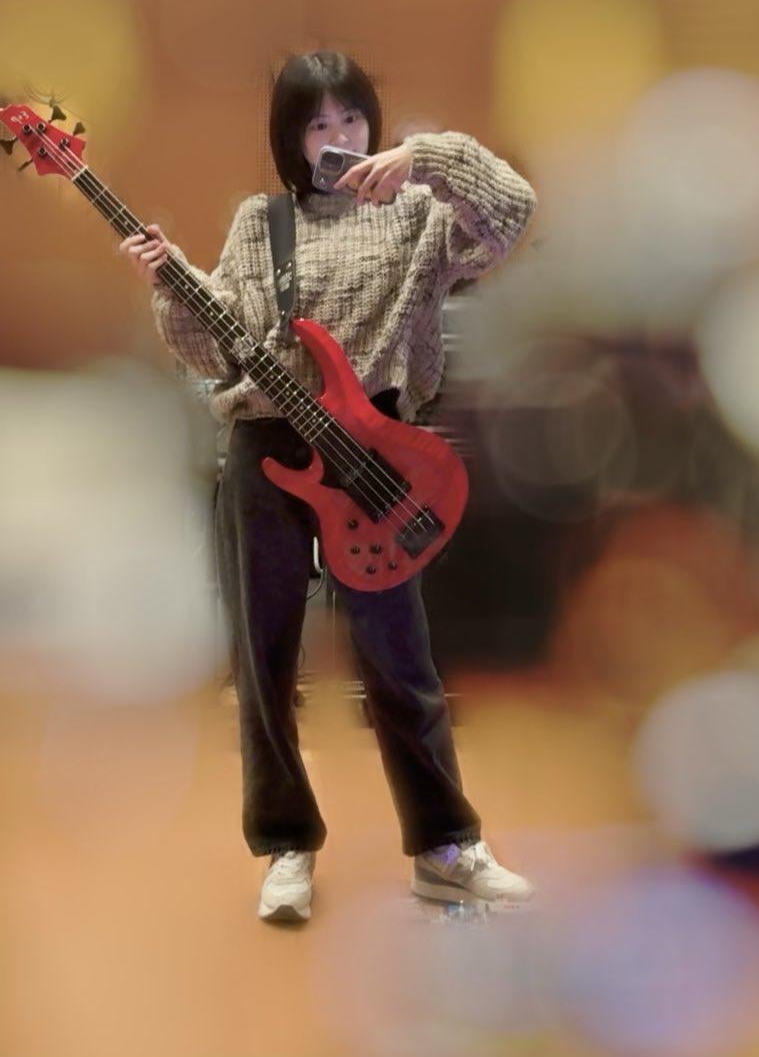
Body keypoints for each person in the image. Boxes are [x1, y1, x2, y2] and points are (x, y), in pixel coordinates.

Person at [120, 50, 539, 922]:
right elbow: (214, 349)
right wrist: (171, 284)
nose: (339, 137)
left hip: (373, 455)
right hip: (267, 447)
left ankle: (445, 846)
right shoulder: (261, 223)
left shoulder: (419, 212)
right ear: (292, 137)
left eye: (351, 117)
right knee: (265, 657)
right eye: (318, 124)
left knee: (399, 655)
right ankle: (285, 847)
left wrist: (428, 157)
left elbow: (512, 213)